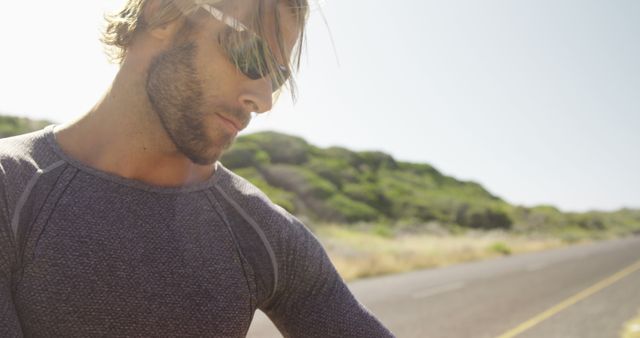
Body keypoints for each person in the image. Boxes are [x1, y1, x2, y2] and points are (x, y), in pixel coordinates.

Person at [0, 0, 394, 336]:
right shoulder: (11, 189)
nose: (263, 99)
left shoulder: (266, 235)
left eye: (276, 78)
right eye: (251, 55)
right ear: (164, 14)